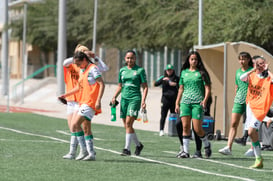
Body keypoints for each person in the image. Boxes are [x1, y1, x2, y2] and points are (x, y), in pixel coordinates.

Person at [62, 44, 108, 160]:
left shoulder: (93, 68)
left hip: (90, 102)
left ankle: (84, 151)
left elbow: (102, 84)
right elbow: (79, 87)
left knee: (74, 124)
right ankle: (91, 153)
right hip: (83, 102)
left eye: (78, 63)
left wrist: (98, 100)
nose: (76, 66)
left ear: (84, 59)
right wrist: (65, 95)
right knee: (86, 128)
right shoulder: (83, 70)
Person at [175, 50, 212, 159]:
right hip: (185, 103)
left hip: (197, 103)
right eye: (192, 59)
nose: (194, 61)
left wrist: (205, 100)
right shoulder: (184, 72)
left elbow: (207, 88)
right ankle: (185, 152)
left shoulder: (201, 73)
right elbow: (181, 89)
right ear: (188, 60)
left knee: (197, 128)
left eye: (196, 59)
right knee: (185, 127)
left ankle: (206, 144)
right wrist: (177, 103)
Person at [111, 50, 148, 156]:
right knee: (127, 125)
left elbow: (145, 87)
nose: (129, 60)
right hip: (124, 99)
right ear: (125, 59)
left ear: (135, 59)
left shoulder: (140, 70)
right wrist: (114, 97)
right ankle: (138, 145)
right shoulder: (122, 70)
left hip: (135, 99)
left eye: (132, 58)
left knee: (128, 123)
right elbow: (119, 86)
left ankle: (126, 149)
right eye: (128, 58)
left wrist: (143, 101)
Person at [240, 55, 273, 168]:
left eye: (262, 63)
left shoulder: (267, 78)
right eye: (258, 63)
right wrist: (253, 69)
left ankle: (258, 158)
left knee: (251, 131)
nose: (260, 65)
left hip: (261, 109)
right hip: (251, 107)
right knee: (252, 133)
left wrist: (267, 70)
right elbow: (242, 78)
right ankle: (258, 159)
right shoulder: (252, 75)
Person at [219, 52, 253, 155]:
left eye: (244, 59)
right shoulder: (238, 71)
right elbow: (237, 86)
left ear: (248, 60)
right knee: (233, 123)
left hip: (250, 101)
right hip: (239, 100)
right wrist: (236, 95)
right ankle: (228, 147)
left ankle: (253, 148)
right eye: (240, 59)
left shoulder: (252, 71)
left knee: (251, 126)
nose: (242, 61)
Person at [154, 64, 179, 136]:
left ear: (173, 70)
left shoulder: (176, 78)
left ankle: (174, 130)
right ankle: (161, 130)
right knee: (163, 115)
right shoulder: (163, 77)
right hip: (165, 100)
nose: (169, 72)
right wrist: (162, 80)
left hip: (174, 100)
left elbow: (180, 85)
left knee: (174, 116)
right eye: (168, 70)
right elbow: (155, 84)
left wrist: (171, 82)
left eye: (170, 70)